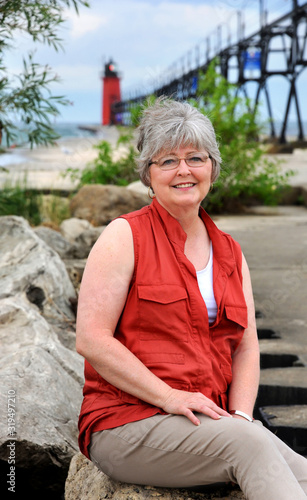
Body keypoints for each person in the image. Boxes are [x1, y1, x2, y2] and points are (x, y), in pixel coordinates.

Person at [76, 98, 307, 500]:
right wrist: (169, 396)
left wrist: (240, 415)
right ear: (148, 175)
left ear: (213, 168)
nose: (183, 170)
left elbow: (247, 346)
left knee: (301, 471)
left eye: (195, 158)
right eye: (167, 161)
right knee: (250, 444)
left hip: (208, 423)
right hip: (126, 423)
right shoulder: (124, 236)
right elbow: (92, 339)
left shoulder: (231, 252)